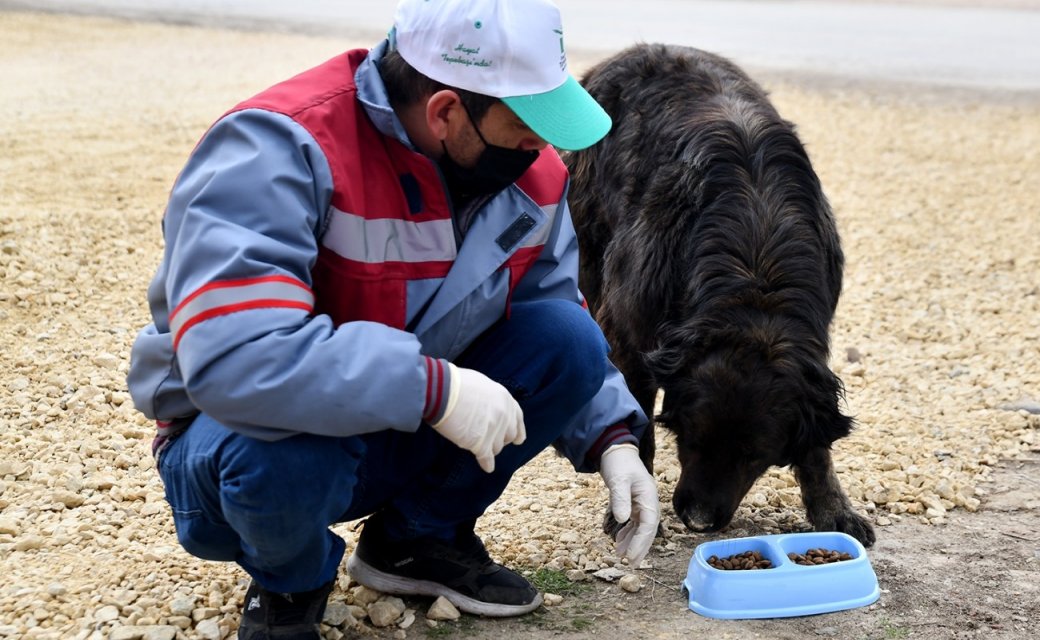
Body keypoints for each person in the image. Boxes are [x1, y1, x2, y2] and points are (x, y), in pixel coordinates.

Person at [126, 0, 659, 637]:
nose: (540, 147)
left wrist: (612, 439)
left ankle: (413, 541)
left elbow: (551, 303)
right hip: (239, 441)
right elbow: (238, 358)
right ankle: (291, 581)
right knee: (281, 458)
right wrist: (437, 390)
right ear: (446, 112)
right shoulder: (276, 146)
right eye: (527, 124)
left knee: (567, 340)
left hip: (399, 422)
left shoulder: (531, 177)